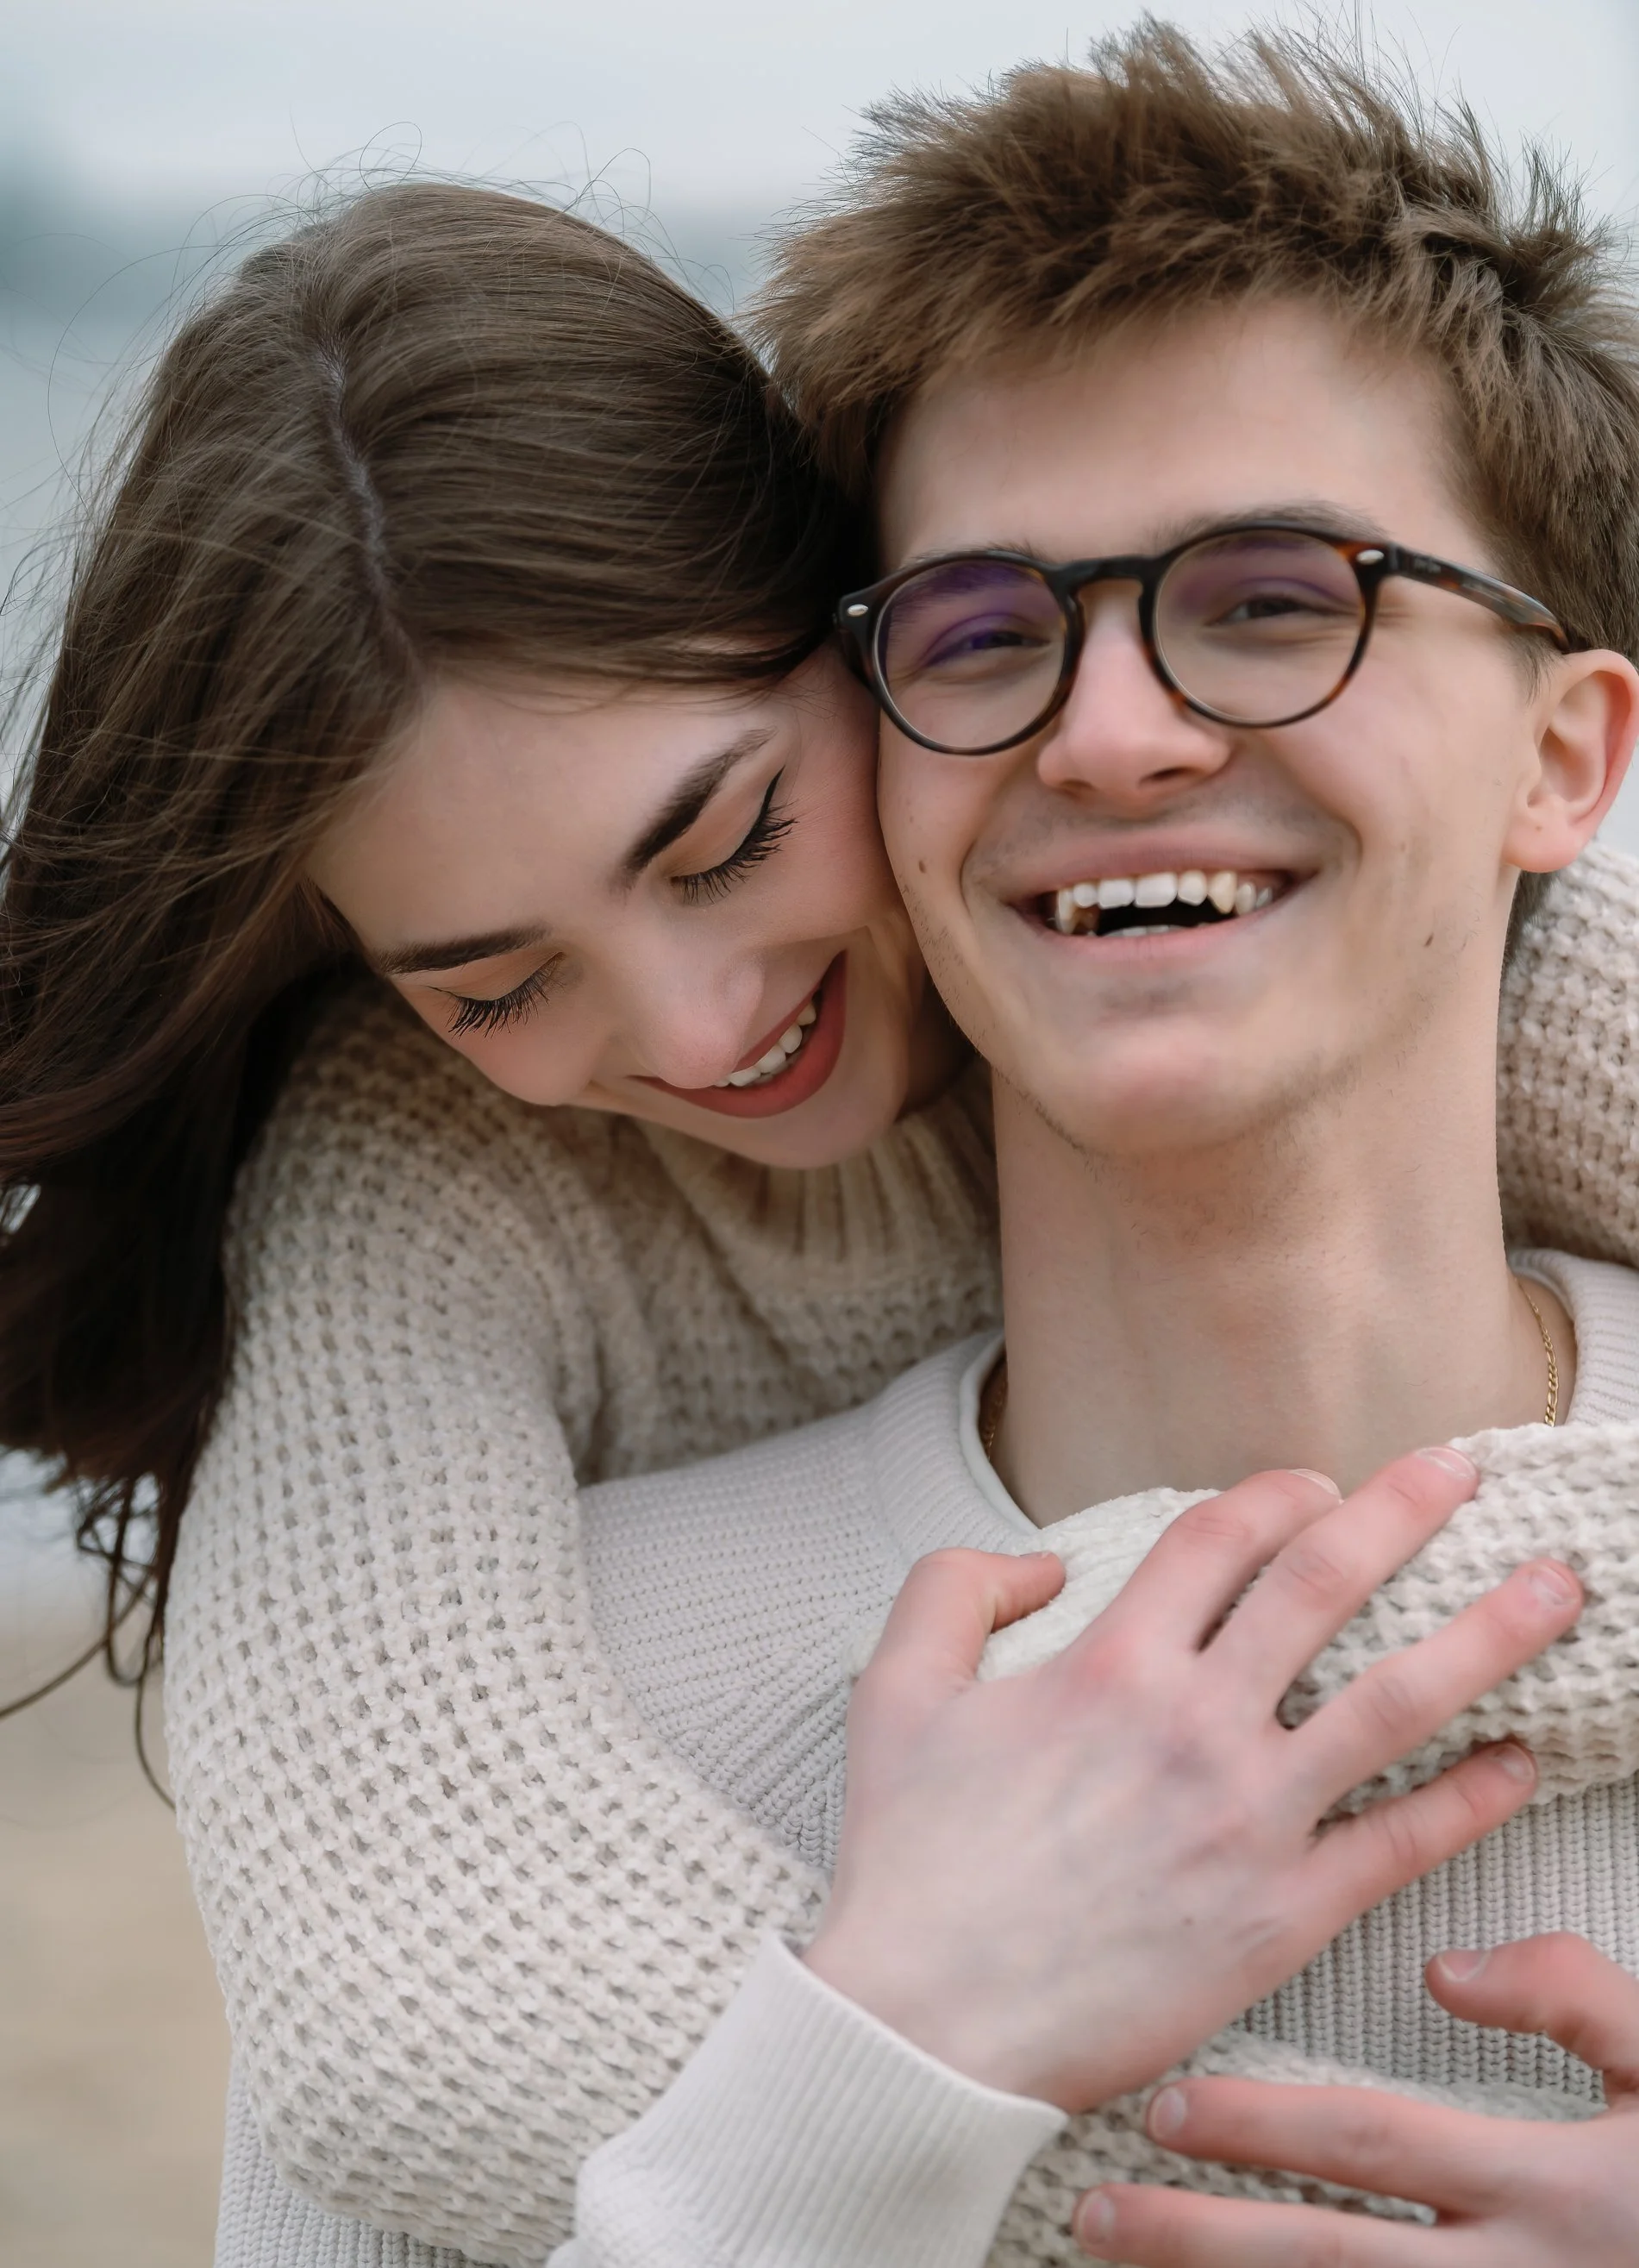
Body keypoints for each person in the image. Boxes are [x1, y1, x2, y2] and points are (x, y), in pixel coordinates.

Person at [0, 68, 1627, 2268]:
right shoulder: (540, 1666)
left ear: (1569, 754)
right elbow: (406, 2023)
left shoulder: (1542, 999)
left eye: (1267, 600)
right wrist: (875, 2076)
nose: (1112, 729)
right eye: (984, 636)